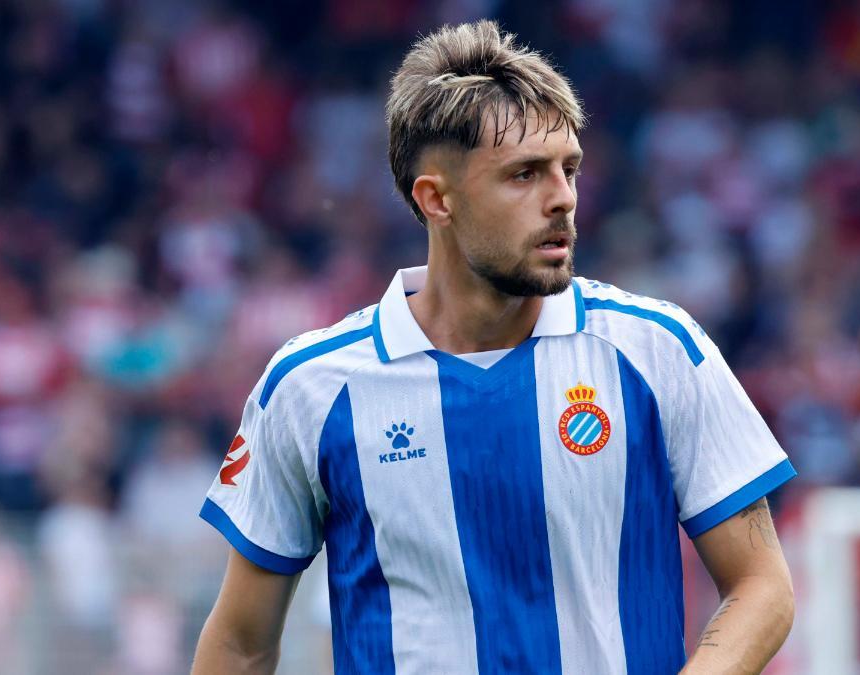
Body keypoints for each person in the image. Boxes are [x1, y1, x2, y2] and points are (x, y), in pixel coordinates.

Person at [193, 20, 796, 674]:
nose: (563, 198)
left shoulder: (657, 351)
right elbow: (240, 643)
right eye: (525, 174)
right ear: (436, 199)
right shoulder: (310, 387)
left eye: (569, 169)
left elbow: (762, 585)